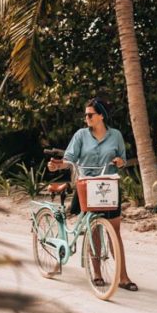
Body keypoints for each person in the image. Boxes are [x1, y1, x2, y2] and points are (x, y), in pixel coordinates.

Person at [48, 97, 138, 291]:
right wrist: (57, 166)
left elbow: (122, 159)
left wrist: (120, 162)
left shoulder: (116, 136)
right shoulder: (81, 135)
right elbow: (69, 159)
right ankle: (96, 273)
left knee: (115, 233)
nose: (86, 118)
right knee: (94, 229)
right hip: (87, 186)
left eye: (90, 114)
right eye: (86, 115)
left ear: (101, 116)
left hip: (109, 185)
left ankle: (123, 276)